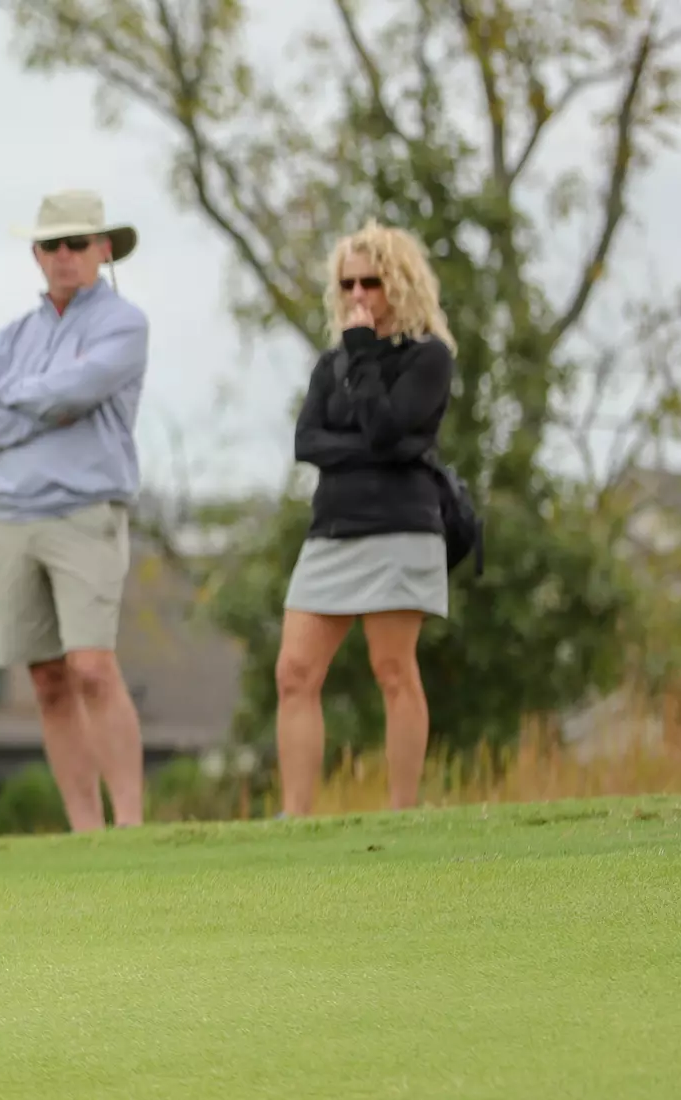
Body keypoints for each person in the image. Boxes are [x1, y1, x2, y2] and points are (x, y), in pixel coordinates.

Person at [0, 189, 151, 833]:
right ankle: (85, 830)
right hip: (10, 516)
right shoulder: (9, 338)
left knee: (92, 666)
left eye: (77, 244)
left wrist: (19, 403)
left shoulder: (123, 324)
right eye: (52, 245)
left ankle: (130, 824)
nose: (64, 256)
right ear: (37, 254)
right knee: (45, 679)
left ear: (101, 249)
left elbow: (81, 389)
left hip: (84, 511)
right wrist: (42, 405)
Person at [272, 221, 455, 817]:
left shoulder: (429, 358)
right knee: (294, 671)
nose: (357, 295)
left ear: (398, 284)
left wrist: (364, 361)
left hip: (401, 528)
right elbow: (308, 443)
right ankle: (294, 816)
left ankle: (402, 810)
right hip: (333, 530)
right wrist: (381, 450)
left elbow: (383, 426)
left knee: (393, 668)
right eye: (347, 283)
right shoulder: (332, 364)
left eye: (370, 282)